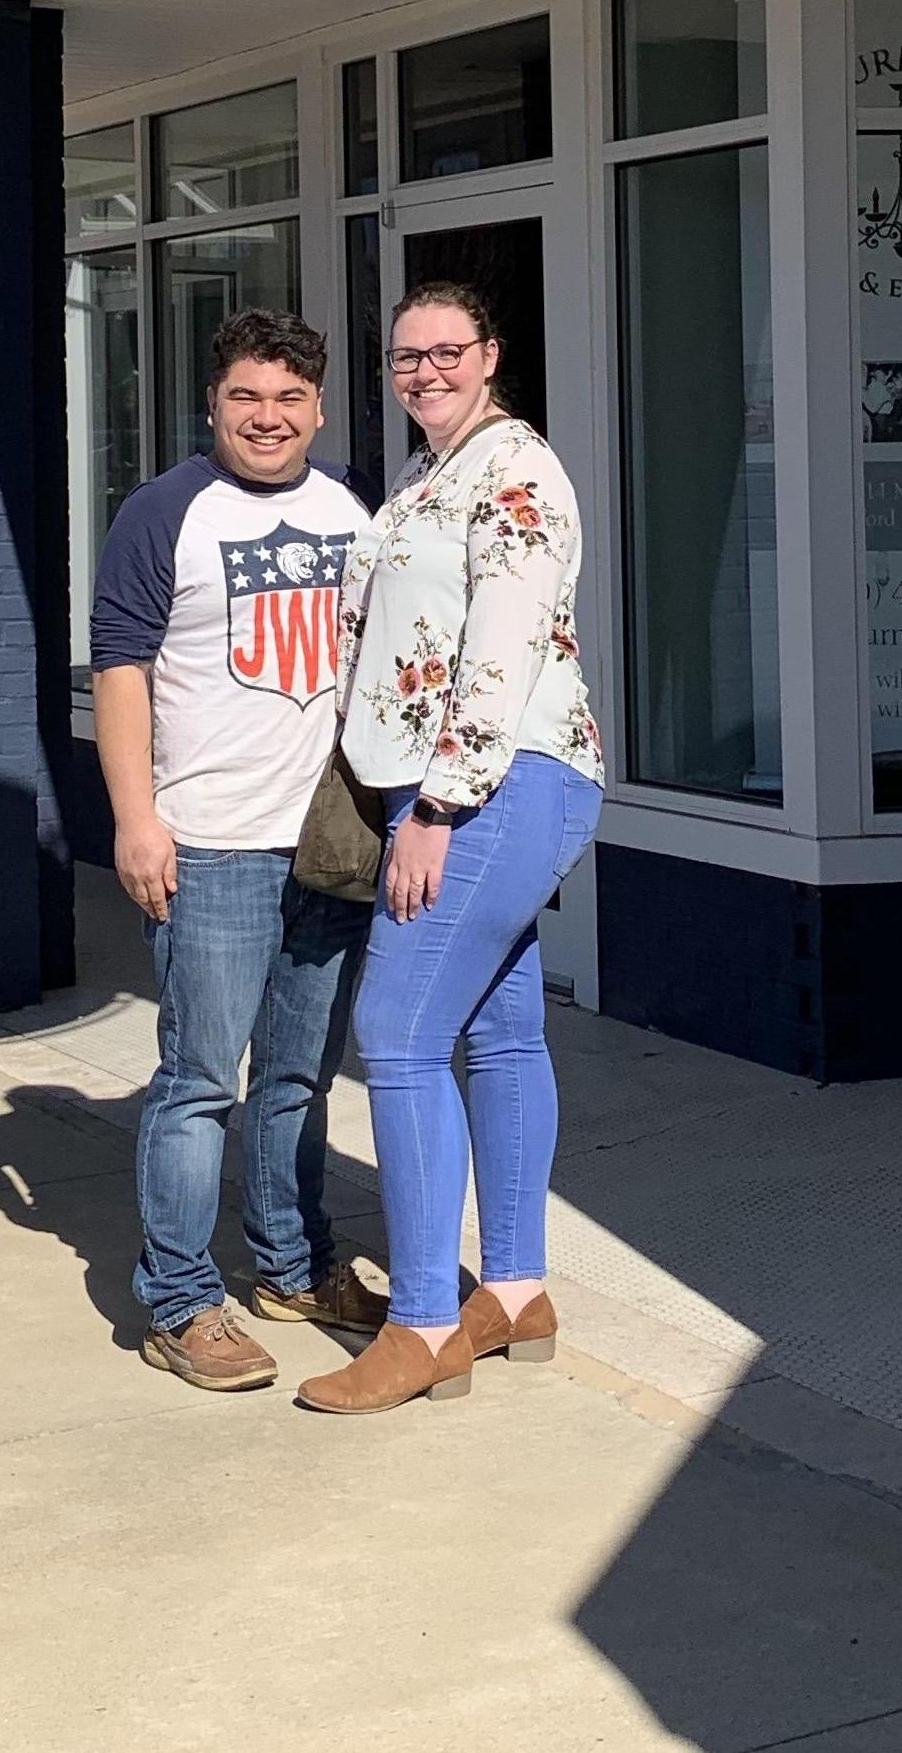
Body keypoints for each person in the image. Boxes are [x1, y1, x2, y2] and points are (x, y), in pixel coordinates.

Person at [298, 281, 603, 1415]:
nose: (424, 370)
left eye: (446, 350)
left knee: (397, 1033)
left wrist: (437, 807)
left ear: (490, 355)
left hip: (491, 786)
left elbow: (503, 650)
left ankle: (425, 1320)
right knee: (500, 1030)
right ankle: (516, 1292)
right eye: (405, 356)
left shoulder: (515, 471)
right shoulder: (431, 474)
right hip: (458, 787)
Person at [90, 308, 386, 1393]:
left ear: (318, 407)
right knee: (201, 1082)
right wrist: (136, 819)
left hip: (328, 843)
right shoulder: (164, 512)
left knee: (299, 1077)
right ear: (211, 403)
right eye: (246, 397)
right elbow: (119, 669)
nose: (269, 417)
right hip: (209, 842)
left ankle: (292, 1267)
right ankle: (178, 1300)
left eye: (289, 398)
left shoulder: (352, 500)